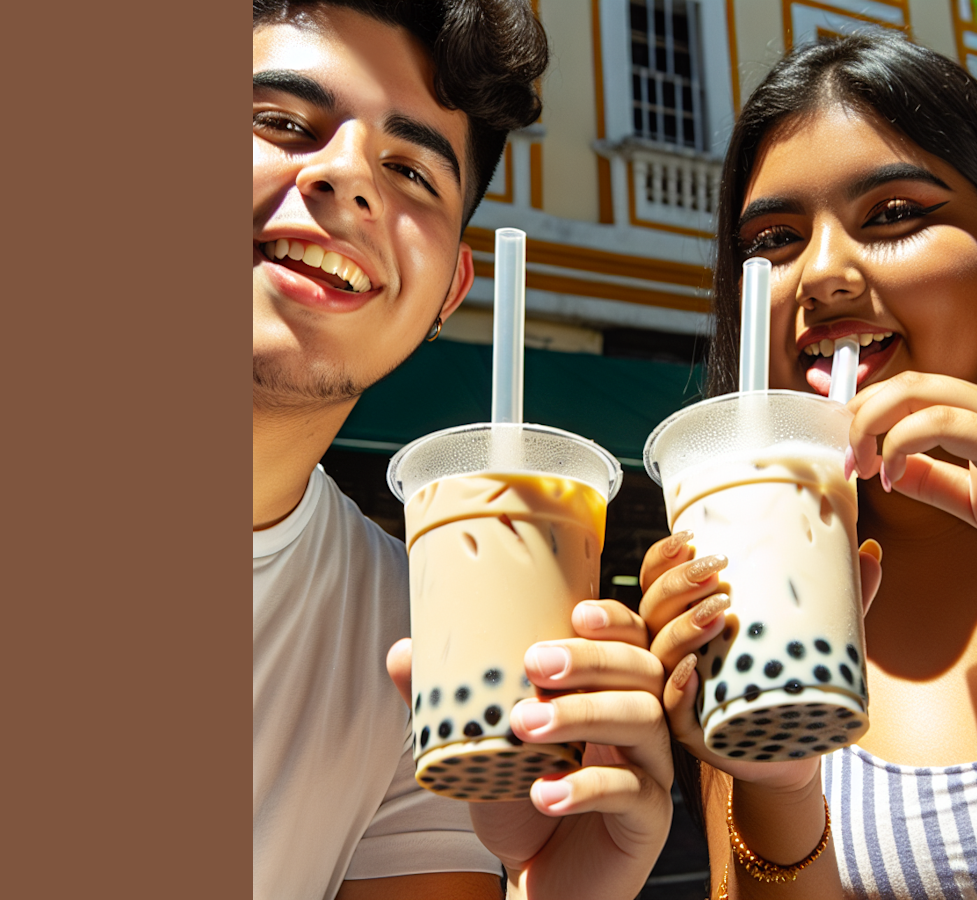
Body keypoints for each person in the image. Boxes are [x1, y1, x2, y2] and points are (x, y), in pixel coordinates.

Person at [639, 31, 977, 899]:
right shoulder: (749, 594)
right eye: (773, 240)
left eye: (895, 215)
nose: (824, 273)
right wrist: (782, 783)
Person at [252, 3, 672, 898]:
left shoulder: (419, 649)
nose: (347, 178)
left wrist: (557, 884)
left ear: (452, 291)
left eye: (409, 170)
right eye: (284, 124)